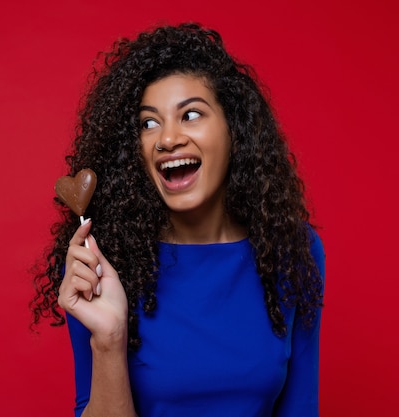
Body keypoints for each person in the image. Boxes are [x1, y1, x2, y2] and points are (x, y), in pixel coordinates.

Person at [32, 22, 325, 417]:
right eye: (148, 123)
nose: (167, 139)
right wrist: (109, 338)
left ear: (233, 131)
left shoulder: (290, 246)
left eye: (190, 115)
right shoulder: (103, 261)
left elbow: (301, 407)